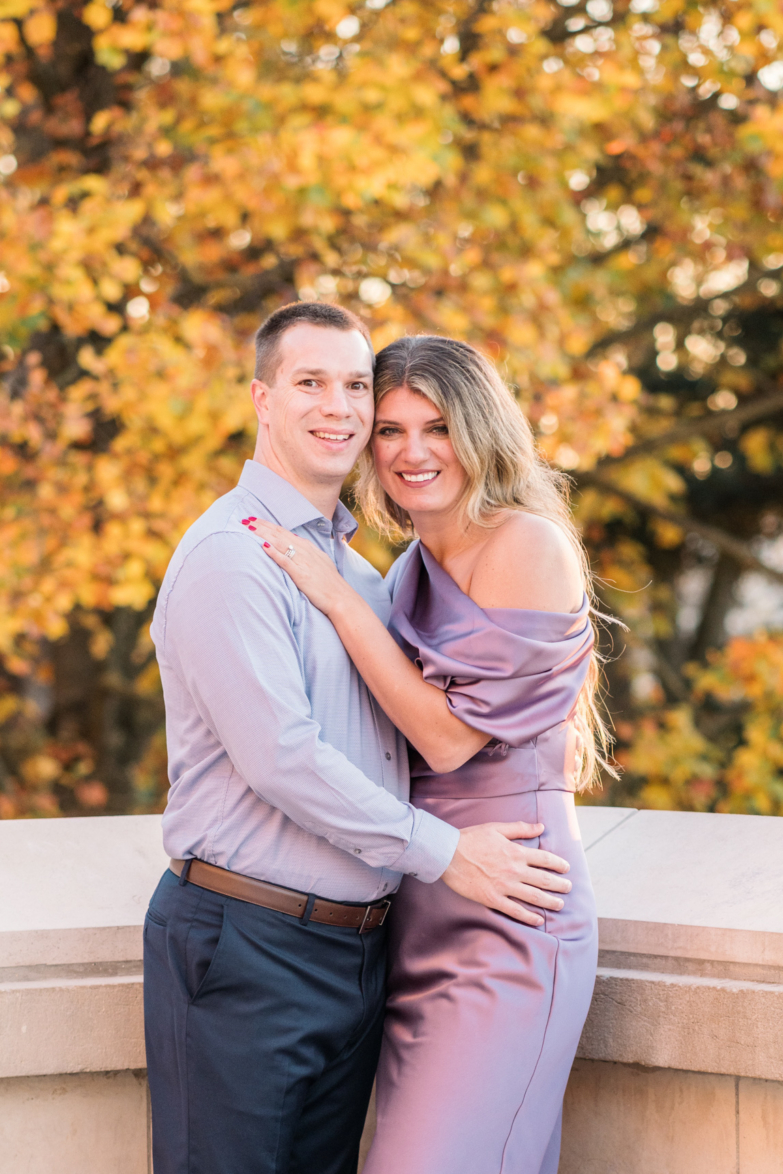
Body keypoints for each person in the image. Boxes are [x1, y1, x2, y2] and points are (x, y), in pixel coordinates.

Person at [143, 302, 575, 1174]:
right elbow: (281, 760)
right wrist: (445, 852)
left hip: (364, 949)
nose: (337, 407)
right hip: (249, 941)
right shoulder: (236, 554)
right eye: (312, 384)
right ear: (263, 399)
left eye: (352, 386)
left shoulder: (362, 573)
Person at [250, 333, 605, 1174]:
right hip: (419, 908)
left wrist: (339, 600)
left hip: (511, 906)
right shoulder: (408, 564)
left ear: (479, 431)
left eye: (437, 428)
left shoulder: (526, 543)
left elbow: (446, 741)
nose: (413, 453)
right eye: (393, 431)